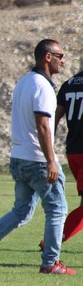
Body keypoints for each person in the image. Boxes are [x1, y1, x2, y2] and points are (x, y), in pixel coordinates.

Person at [0, 39, 75, 274]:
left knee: (21, 211)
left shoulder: (23, 82)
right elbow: (43, 126)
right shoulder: (43, 87)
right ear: (47, 57)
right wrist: (50, 161)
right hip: (37, 159)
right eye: (60, 55)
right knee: (57, 210)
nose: (63, 61)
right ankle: (50, 263)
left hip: (18, 157)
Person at [53, 68, 83, 242]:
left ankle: (54, 240)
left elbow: (55, 118)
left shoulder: (69, 84)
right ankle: (53, 240)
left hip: (73, 149)